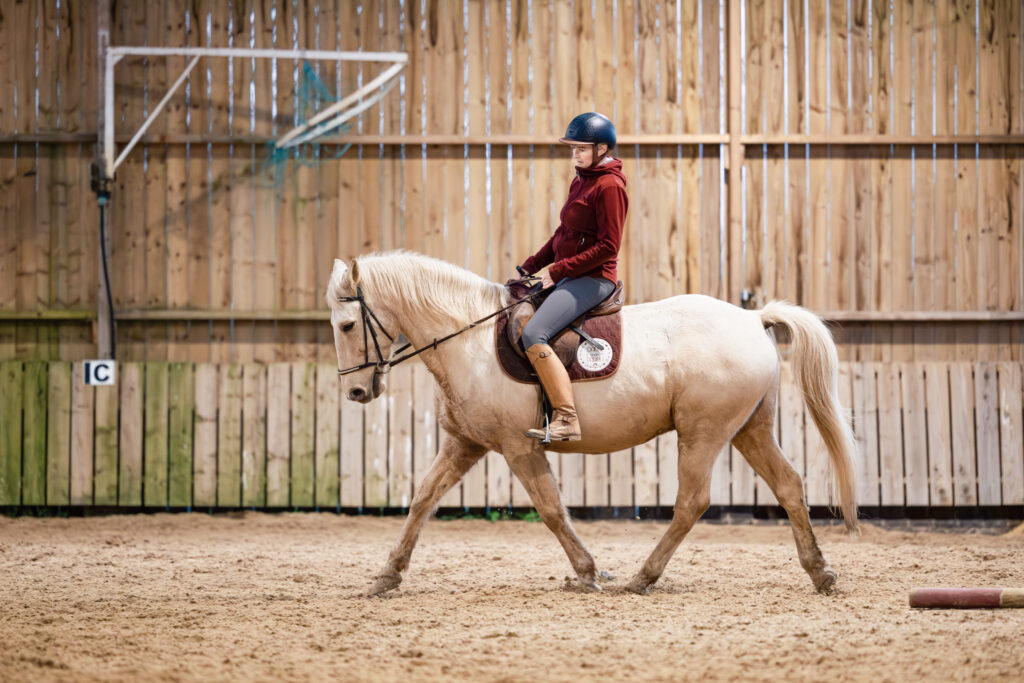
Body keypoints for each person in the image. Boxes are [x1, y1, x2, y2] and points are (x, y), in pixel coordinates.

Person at [517, 112, 628, 442]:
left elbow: (609, 247)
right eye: (573, 148)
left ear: (601, 149)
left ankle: (567, 418)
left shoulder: (610, 186)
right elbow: (563, 233)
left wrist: (558, 271)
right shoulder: (581, 179)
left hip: (595, 279)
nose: (575, 154)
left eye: (581, 148)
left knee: (534, 333)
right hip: (572, 275)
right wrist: (532, 264)